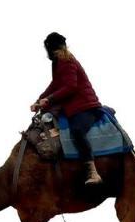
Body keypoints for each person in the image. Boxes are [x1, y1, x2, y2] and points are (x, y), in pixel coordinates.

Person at [30, 32, 105, 184]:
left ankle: (93, 172)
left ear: (50, 49)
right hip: (73, 108)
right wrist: (40, 100)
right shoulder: (59, 62)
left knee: (77, 131)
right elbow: (55, 85)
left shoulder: (66, 61)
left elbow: (70, 86)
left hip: (85, 107)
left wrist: (48, 99)